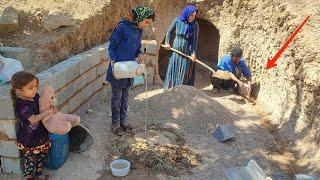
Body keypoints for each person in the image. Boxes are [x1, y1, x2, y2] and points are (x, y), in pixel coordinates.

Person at [106, 5, 155, 136]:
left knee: (126, 96)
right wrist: (113, 62)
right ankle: (115, 123)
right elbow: (112, 46)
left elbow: (138, 48)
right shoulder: (122, 27)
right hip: (119, 68)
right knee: (117, 97)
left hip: (129, 69)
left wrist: (139, 55)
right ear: (139, 18)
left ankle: (124, 120)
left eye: (149, 23)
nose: (146, 25)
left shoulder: (139, 31)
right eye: (146, 22)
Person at [11, 71, 54, 180]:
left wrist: (52, 107)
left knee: (42, 155)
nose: (35, 89)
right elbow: (33, 120)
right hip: (30, 139)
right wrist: (48, 111)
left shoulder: (35, 97)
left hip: (41, 135)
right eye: (30, 88)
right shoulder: (22, 106)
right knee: (31, 158)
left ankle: (39, 173)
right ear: (19, 91)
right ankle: (29, 175)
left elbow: (43, 104)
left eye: (36, 86)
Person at [162, 5, 199, 89]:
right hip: (176, 51)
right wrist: (167, 43)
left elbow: (194, 40)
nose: (193, 18)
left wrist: (193, 53)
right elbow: (169, 31)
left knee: (184, 73)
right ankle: (170, 90)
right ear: (187, 13)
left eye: (194, 16)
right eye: (191, 15)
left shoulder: (195, 25)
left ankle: (181, 91)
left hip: (187, 53)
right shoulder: (178, 20)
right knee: (173, 70)